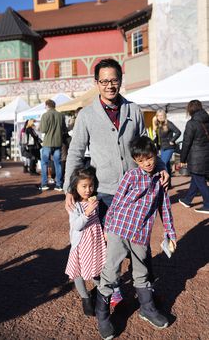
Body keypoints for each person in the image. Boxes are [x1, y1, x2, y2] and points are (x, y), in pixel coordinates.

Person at [64, 58, 169, 311]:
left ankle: (145, 292)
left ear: (121, 81)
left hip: (137, 190)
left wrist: (162, 166)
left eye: (114, 80)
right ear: (96, 83)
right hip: (106, 192)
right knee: (110, 247)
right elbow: (76, 151)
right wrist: (70, 187)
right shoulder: (87, 114)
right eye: (104, 81)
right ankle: (111, 292)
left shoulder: (134, 110)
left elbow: (146, 146)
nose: (110, 85)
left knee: (140, 242)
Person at [95, 136, 177, 339]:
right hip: (119, 228)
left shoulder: (161, 178)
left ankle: (147, 309)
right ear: (135, 161)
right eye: (141, 160)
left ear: (155, 155)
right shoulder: (131, 176)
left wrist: (170, 233)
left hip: (141, 233)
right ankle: (102, 315)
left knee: (141, 272)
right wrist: (107, 226)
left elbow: (165, 208)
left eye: (149, 158)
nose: (147, 163)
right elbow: (116, 202)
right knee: (111, 271)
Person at [65, 166, 106, 316]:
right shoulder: (74, 205)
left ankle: (102, 292)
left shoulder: (96, 199)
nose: (88, 190)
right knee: (78, 272)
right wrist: (87, 212)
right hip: (81, 243)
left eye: (91, 185)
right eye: (84, 186)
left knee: (96, 268)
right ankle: (85, 298)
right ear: (75, 186)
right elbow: (76, 225)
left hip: (95, 242)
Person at [179, 99, 209, 214]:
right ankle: (187, 200)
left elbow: (186, 142)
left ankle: (208, 204)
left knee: (200, 181)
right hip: (206, 156)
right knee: (196, 179)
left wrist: (182, 159)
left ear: (190, 109)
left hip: (196, 158)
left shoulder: (191, 123)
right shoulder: (207, 120)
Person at [39, 99, 64, 191]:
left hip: (47, 142)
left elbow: (43, 130)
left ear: (47, 106)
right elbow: (64, 129)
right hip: (58, 142)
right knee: (58, 164)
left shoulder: (45, 115)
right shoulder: (61, 115)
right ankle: (59, 184)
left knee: (44, 163)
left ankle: (44, 183)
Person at [152, 109, 181, 185]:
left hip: (169, 147)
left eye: (162, 115)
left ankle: (163, 183)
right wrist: (153, 142)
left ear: (164, 116)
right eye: (158, 115)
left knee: (162, 164)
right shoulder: (158, 124)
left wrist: (172, 140)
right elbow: (158, 137)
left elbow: (178, 132)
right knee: (167, 165)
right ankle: (169, 183)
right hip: (162, 148)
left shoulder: (169, 123)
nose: (160, 117)